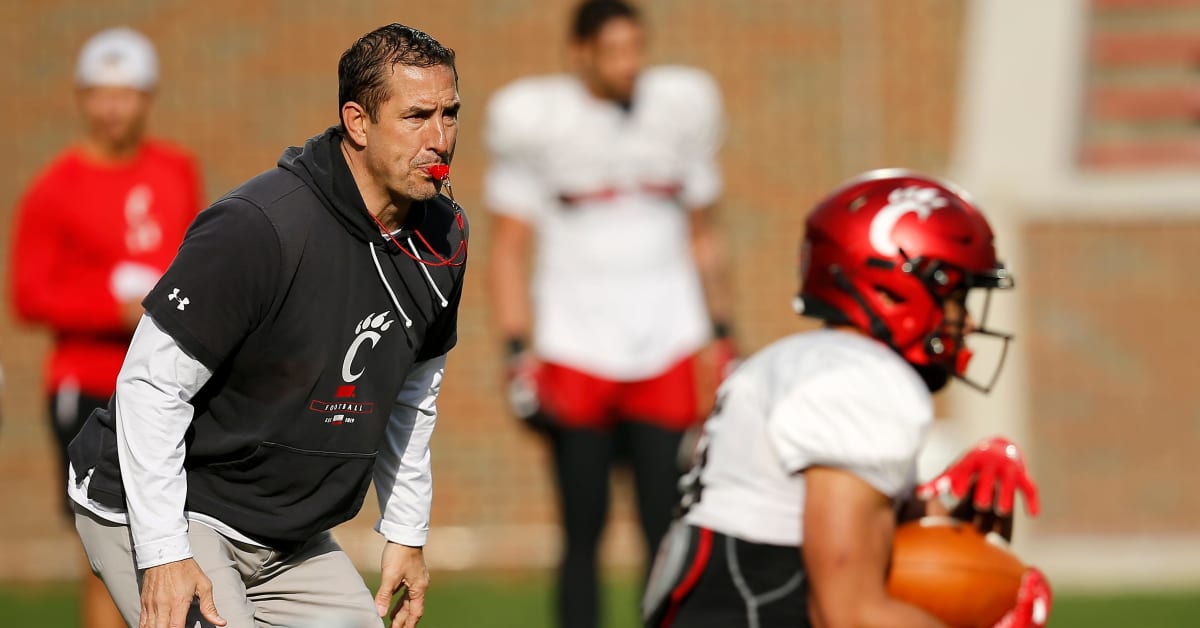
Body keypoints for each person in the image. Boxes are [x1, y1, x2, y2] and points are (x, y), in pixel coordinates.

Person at [65, 23, 466, 628]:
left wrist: (406, 532)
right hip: (168, 509)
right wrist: (165, 553)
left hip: (285, 541)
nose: (440, 139)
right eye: (416, 116)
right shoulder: (260, 227)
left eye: (450, 113)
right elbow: (150, 386)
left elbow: (414, 394)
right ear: (357, 122)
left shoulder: (444, 238)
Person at [641, 170, 1053, 628]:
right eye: (956, 297)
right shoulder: (863, 383)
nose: (969, 324)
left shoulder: (798, 362)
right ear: (898, 288)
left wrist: (938, 505)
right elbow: (849, 616)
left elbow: (792, 522)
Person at [484, 1, 735, 626]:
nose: (631, 65)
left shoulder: (679, 109)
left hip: (667, 339)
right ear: (581, 55)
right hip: (576, 343)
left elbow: (705, 236)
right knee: (582, 528)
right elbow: (509, 248)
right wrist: (517, 349)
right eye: (615, 51)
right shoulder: (537, 120)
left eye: (637, 49)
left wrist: (723, 336)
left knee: (666, 525)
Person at [8, 26, 202, 628]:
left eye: (126, 92)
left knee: (171, 539)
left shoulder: (176, 171)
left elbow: (200, 259)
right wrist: (113, 308)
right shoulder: (54, 188)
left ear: (147, 97)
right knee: (105, 549)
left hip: (169, 382)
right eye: (100, 92)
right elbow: (28, 294)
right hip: (89, 383)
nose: (113, 106)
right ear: (81, 97)